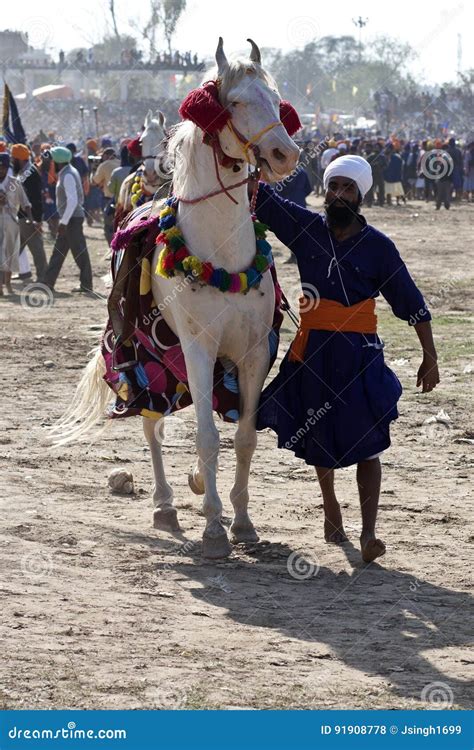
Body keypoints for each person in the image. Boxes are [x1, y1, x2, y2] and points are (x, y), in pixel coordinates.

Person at [252, 155, 439, 563]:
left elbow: (410, 301)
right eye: (333, 186)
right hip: (314, 353)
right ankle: (331, 506)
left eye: (347, 188)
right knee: (319, 436)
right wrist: (247, 153)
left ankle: (369, 532)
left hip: (360, 358)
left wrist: (430, 356)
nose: (338, 194)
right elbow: (261, 197)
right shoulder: (305, 228)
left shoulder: (379, 248)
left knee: (368, 442)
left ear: (360, 195)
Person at [43, 146, 93, 295]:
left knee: (79, 253)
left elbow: (72, 201)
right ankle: (48, 282)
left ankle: (86, 284)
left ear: (58, 161)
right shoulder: (67, 172)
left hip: (71, 219)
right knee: (59, 252)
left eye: (52, 159)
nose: (50, 162)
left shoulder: (68, 175)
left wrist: (63, 223)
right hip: (70, 218)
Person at [11, 143, 47, 282]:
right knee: (13, 249)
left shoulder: (29, 173)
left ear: (19, 159)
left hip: (28, 219)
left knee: (37, 249)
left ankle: (44, 278)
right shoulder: (25, 172)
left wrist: (37, 220)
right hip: (21, 218)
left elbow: (36, 199)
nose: (12, 162)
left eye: (14, 159)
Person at [0, 152, 34, 296]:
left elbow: (26, 203)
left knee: (9, 255)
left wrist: (30, 219)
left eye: (2, 167)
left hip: (11, 222)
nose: (0, 169)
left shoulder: (15, 182)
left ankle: (8, 284)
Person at [91, 147, 120, 245]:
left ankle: (112, 248)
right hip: (122, 199)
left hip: (109, 199)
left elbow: (94, 181)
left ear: (106, 156)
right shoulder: (120, 163)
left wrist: (93, 169)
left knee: (108, 227)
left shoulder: (104, 165)